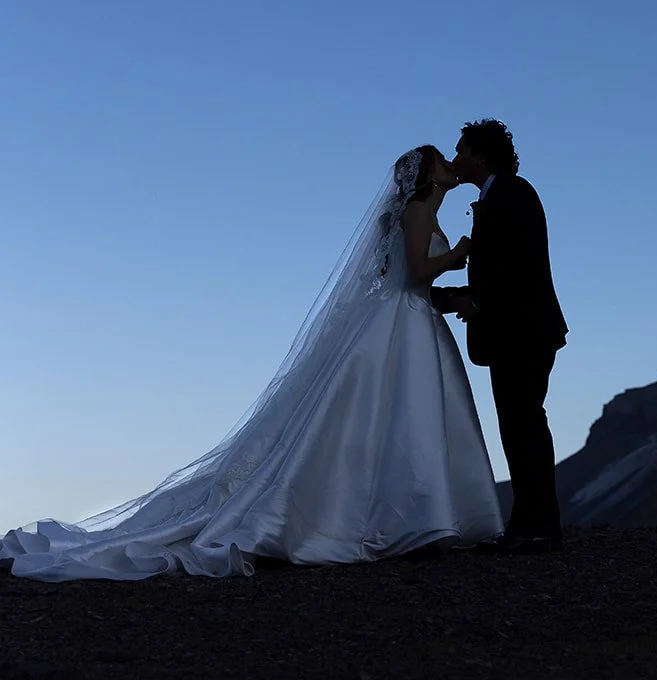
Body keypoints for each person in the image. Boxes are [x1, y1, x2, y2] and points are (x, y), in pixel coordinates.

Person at [0, 147, 505, 580]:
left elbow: (404, 280)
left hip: (409, 318)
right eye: (442, 160)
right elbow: (415, 271)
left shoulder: (419, 212)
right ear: (426, 175)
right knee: (396, 418)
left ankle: (414, 518)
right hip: (402, 320)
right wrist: (459, 252)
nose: (450, 163)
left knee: (400, 422)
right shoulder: (417, 210)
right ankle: (403, 520)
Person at [445, 119, 568, 553]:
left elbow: (517, 265)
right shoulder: (501, 194)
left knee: (524, 425)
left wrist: (476, 303)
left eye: (461, 151)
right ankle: (528, 525)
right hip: (516, 333)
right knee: (519, 427)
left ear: (481, 155)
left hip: (524, 332)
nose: (455, 159)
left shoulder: (513, 193)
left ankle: (538, 527)